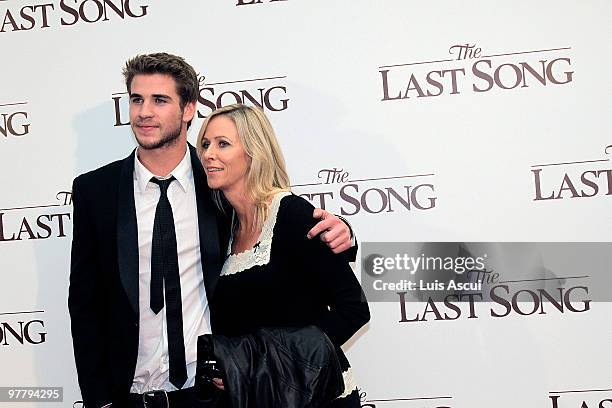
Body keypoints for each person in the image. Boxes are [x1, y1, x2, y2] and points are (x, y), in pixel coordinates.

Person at [68, 53, 356, 408]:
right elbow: (84, 302)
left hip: (215, 395)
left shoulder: (219, 185)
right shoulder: (95, 192)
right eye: (137, 99)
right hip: (129, 396)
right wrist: (98, 399)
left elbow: (277, 224)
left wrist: (344, 232)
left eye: (160, 100)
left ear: (188, 108)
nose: (144, 112)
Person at [197, 103, 370, 406]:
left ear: (254, 151)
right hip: (254, 398)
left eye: (223, 144)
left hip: (314, 397)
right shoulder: (221, 227)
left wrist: (267, 365)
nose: (209, 153)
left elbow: (353, 309)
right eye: (205, 144)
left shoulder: (292, 214)